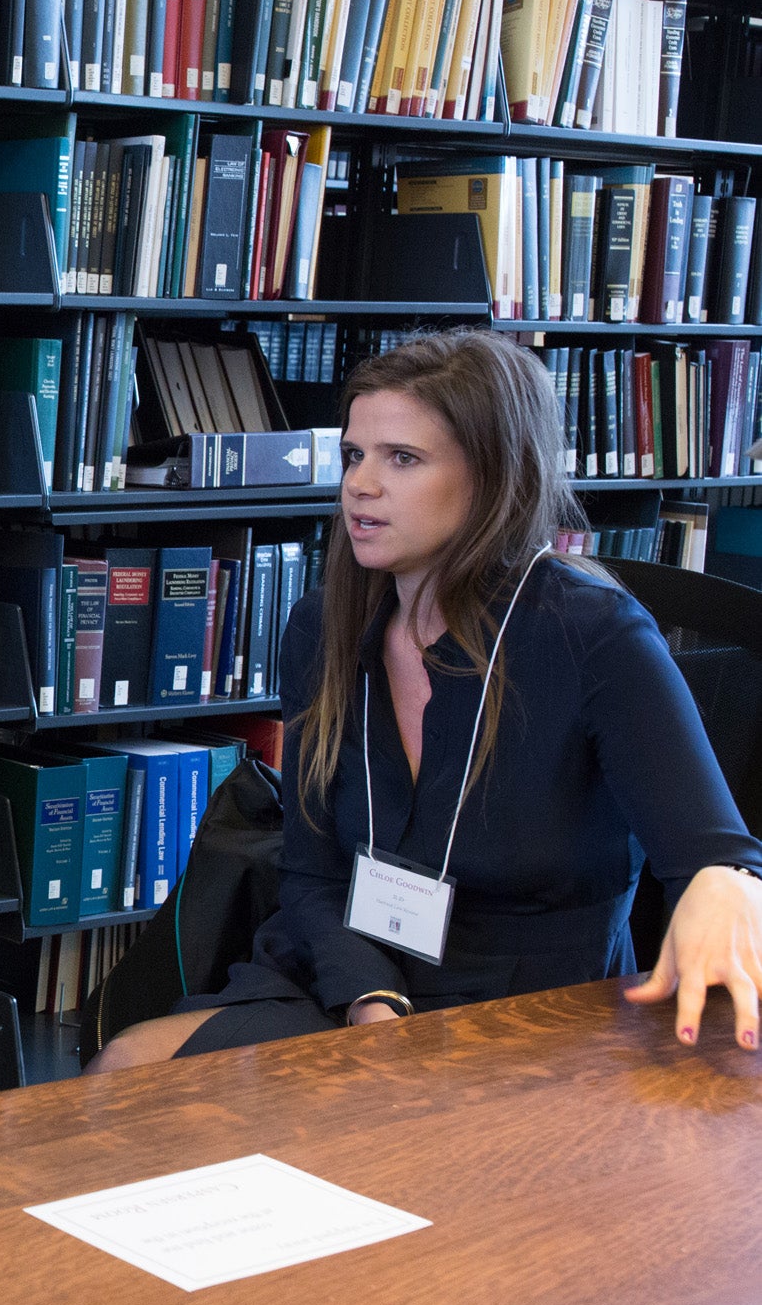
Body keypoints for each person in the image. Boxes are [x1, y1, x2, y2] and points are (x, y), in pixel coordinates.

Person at [93, 330, 762, 1071]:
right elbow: (313, 873)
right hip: (348, 965)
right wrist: (369, 999)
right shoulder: (321, 624)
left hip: (527, 1012)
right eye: (355, 454)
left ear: (494, 476)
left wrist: (722, 888)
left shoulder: (593, 635)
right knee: (128, 1070)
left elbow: (717, 860)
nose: (361, 484)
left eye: (403, 458)